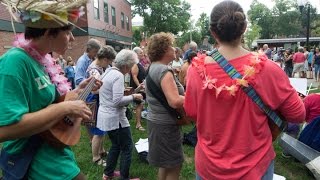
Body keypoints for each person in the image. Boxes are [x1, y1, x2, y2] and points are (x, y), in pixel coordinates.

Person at [184, 1, 305, 179]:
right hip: (255, 167)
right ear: (244, 28)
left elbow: (192, 112)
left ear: (212, 32)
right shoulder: (268, 69)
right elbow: (298, 115)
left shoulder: (195, 70)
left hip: (209, 167)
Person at [0, 1, 102, 179]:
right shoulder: (15, 61)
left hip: (55, 151)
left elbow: (45, 103)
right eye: (68, 32)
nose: (72, 39)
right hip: (33, 159)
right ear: (49, 33)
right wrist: (65, 108)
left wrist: (79, 90)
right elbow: (4, 130)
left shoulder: (43, 61)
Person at [97, 49, 142, 180]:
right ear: (126, 65)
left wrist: (133, 92)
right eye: (131, 66)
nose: (130, 70)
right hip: (115, 118)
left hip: (106, 115)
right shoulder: (118, 75)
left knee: (116, 145)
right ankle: (124, 177)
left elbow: (112, 96)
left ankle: (108, 174)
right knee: (127, 147)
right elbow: (117, 101)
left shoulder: (108, 72)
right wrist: (134, 96)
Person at [146, 32, 185, 180]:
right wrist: (193, 98)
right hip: (166, 126)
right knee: (174, 165)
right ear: (163, 50)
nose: (174, 49)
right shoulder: (164, 70)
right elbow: (174, 101)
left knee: (165, 164)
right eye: (171, 46)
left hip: (156, 122)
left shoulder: (153, 67)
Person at [86, 46, 117, 166]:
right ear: (104, 58)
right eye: (109, 61)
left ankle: (101, 150)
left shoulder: (98, 67)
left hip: (98, 101)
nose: (109, 64)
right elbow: (94, 90)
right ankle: (96, 157)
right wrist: (110, 90)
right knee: (98, 132)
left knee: (102, 128)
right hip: (95, 101)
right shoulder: (94, 70)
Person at [75, 38, 101, 143]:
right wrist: (92, 81)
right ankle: (92, 140)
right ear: (89, 49)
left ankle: (93, 140)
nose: (96, 54)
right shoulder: (82, 61)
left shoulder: (90, 59)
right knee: (89, 118)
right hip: (85, 94)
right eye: (95, 52)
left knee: (91, 118)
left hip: (90, 92)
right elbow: (78, 79)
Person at [130, 47, 147, 131]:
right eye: (140, 53)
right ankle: (138, 124)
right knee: (139, 105)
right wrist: (139, 86)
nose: (142, 54)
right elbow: (134, 76)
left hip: (141, 88)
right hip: (138, 89)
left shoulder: (139, 63)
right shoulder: (135, 64)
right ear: (136, 54)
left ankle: (139, 121)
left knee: (140, 105)